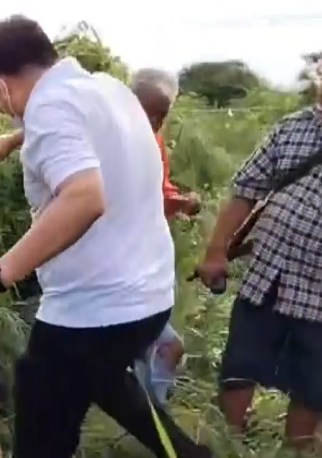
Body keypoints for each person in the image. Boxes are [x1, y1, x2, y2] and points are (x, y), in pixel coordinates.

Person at [0, 16, 234, 458]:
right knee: (108, 383)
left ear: (1, 86)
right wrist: (15, 138)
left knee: (43, 432)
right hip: (149, 299)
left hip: (93, 310)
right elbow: (73, 131)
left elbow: (82, 197)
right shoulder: (108, 90)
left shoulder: (51, 111)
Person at [196, 37, 322, 450]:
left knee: (315, 385)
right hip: (269, 277)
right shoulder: (294, 128)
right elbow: (244, 190)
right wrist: (216, 252)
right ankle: (230, 449)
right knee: (239, 364)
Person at [128, 68, 202, 406]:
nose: (154, 122)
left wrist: (180, 201)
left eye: (161, 115)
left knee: (151, 346)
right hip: (121, 262)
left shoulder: (152, 140)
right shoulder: (104, 135)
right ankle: (150, 415)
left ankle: (147, 412)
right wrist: (11, 139)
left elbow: (157, 189)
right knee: (165, 346)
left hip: (148, 254)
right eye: (148, 112)